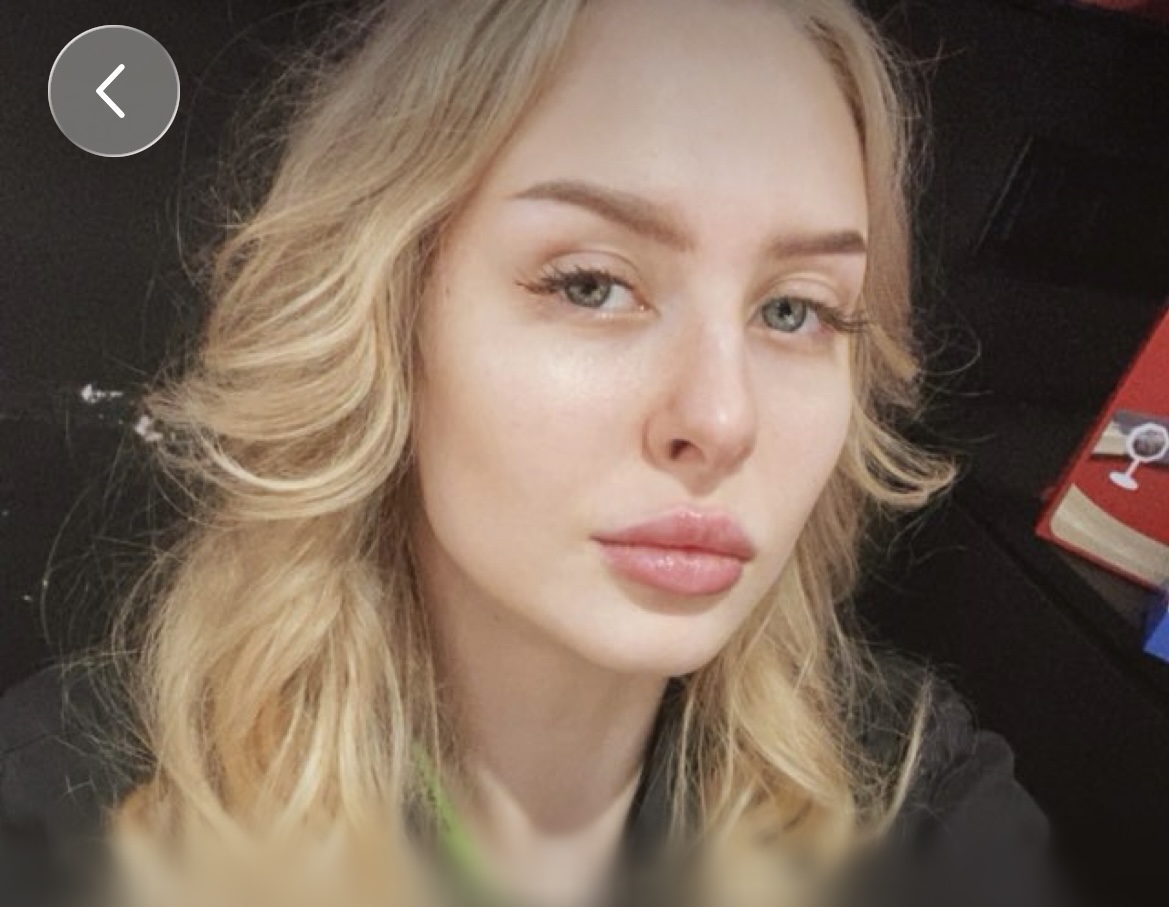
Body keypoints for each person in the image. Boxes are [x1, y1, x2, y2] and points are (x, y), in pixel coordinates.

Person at [1, 0, 1076, 905]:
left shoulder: (912, 807)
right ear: (384, 314)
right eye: (592, 284)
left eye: (793, 310)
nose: (721, 417)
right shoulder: (76, 811)